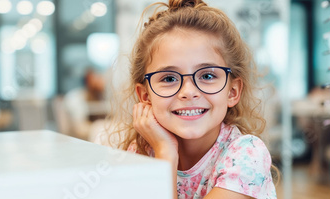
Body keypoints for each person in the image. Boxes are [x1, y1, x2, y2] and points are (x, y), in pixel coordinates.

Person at [108, 0, 278, 198]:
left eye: (207, 76)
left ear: (232, 92)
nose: (188, 92)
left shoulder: (247, 155)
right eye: (169, 78)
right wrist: (163, 151)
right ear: (146, 97)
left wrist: (165, 153)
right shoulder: (142, 152)